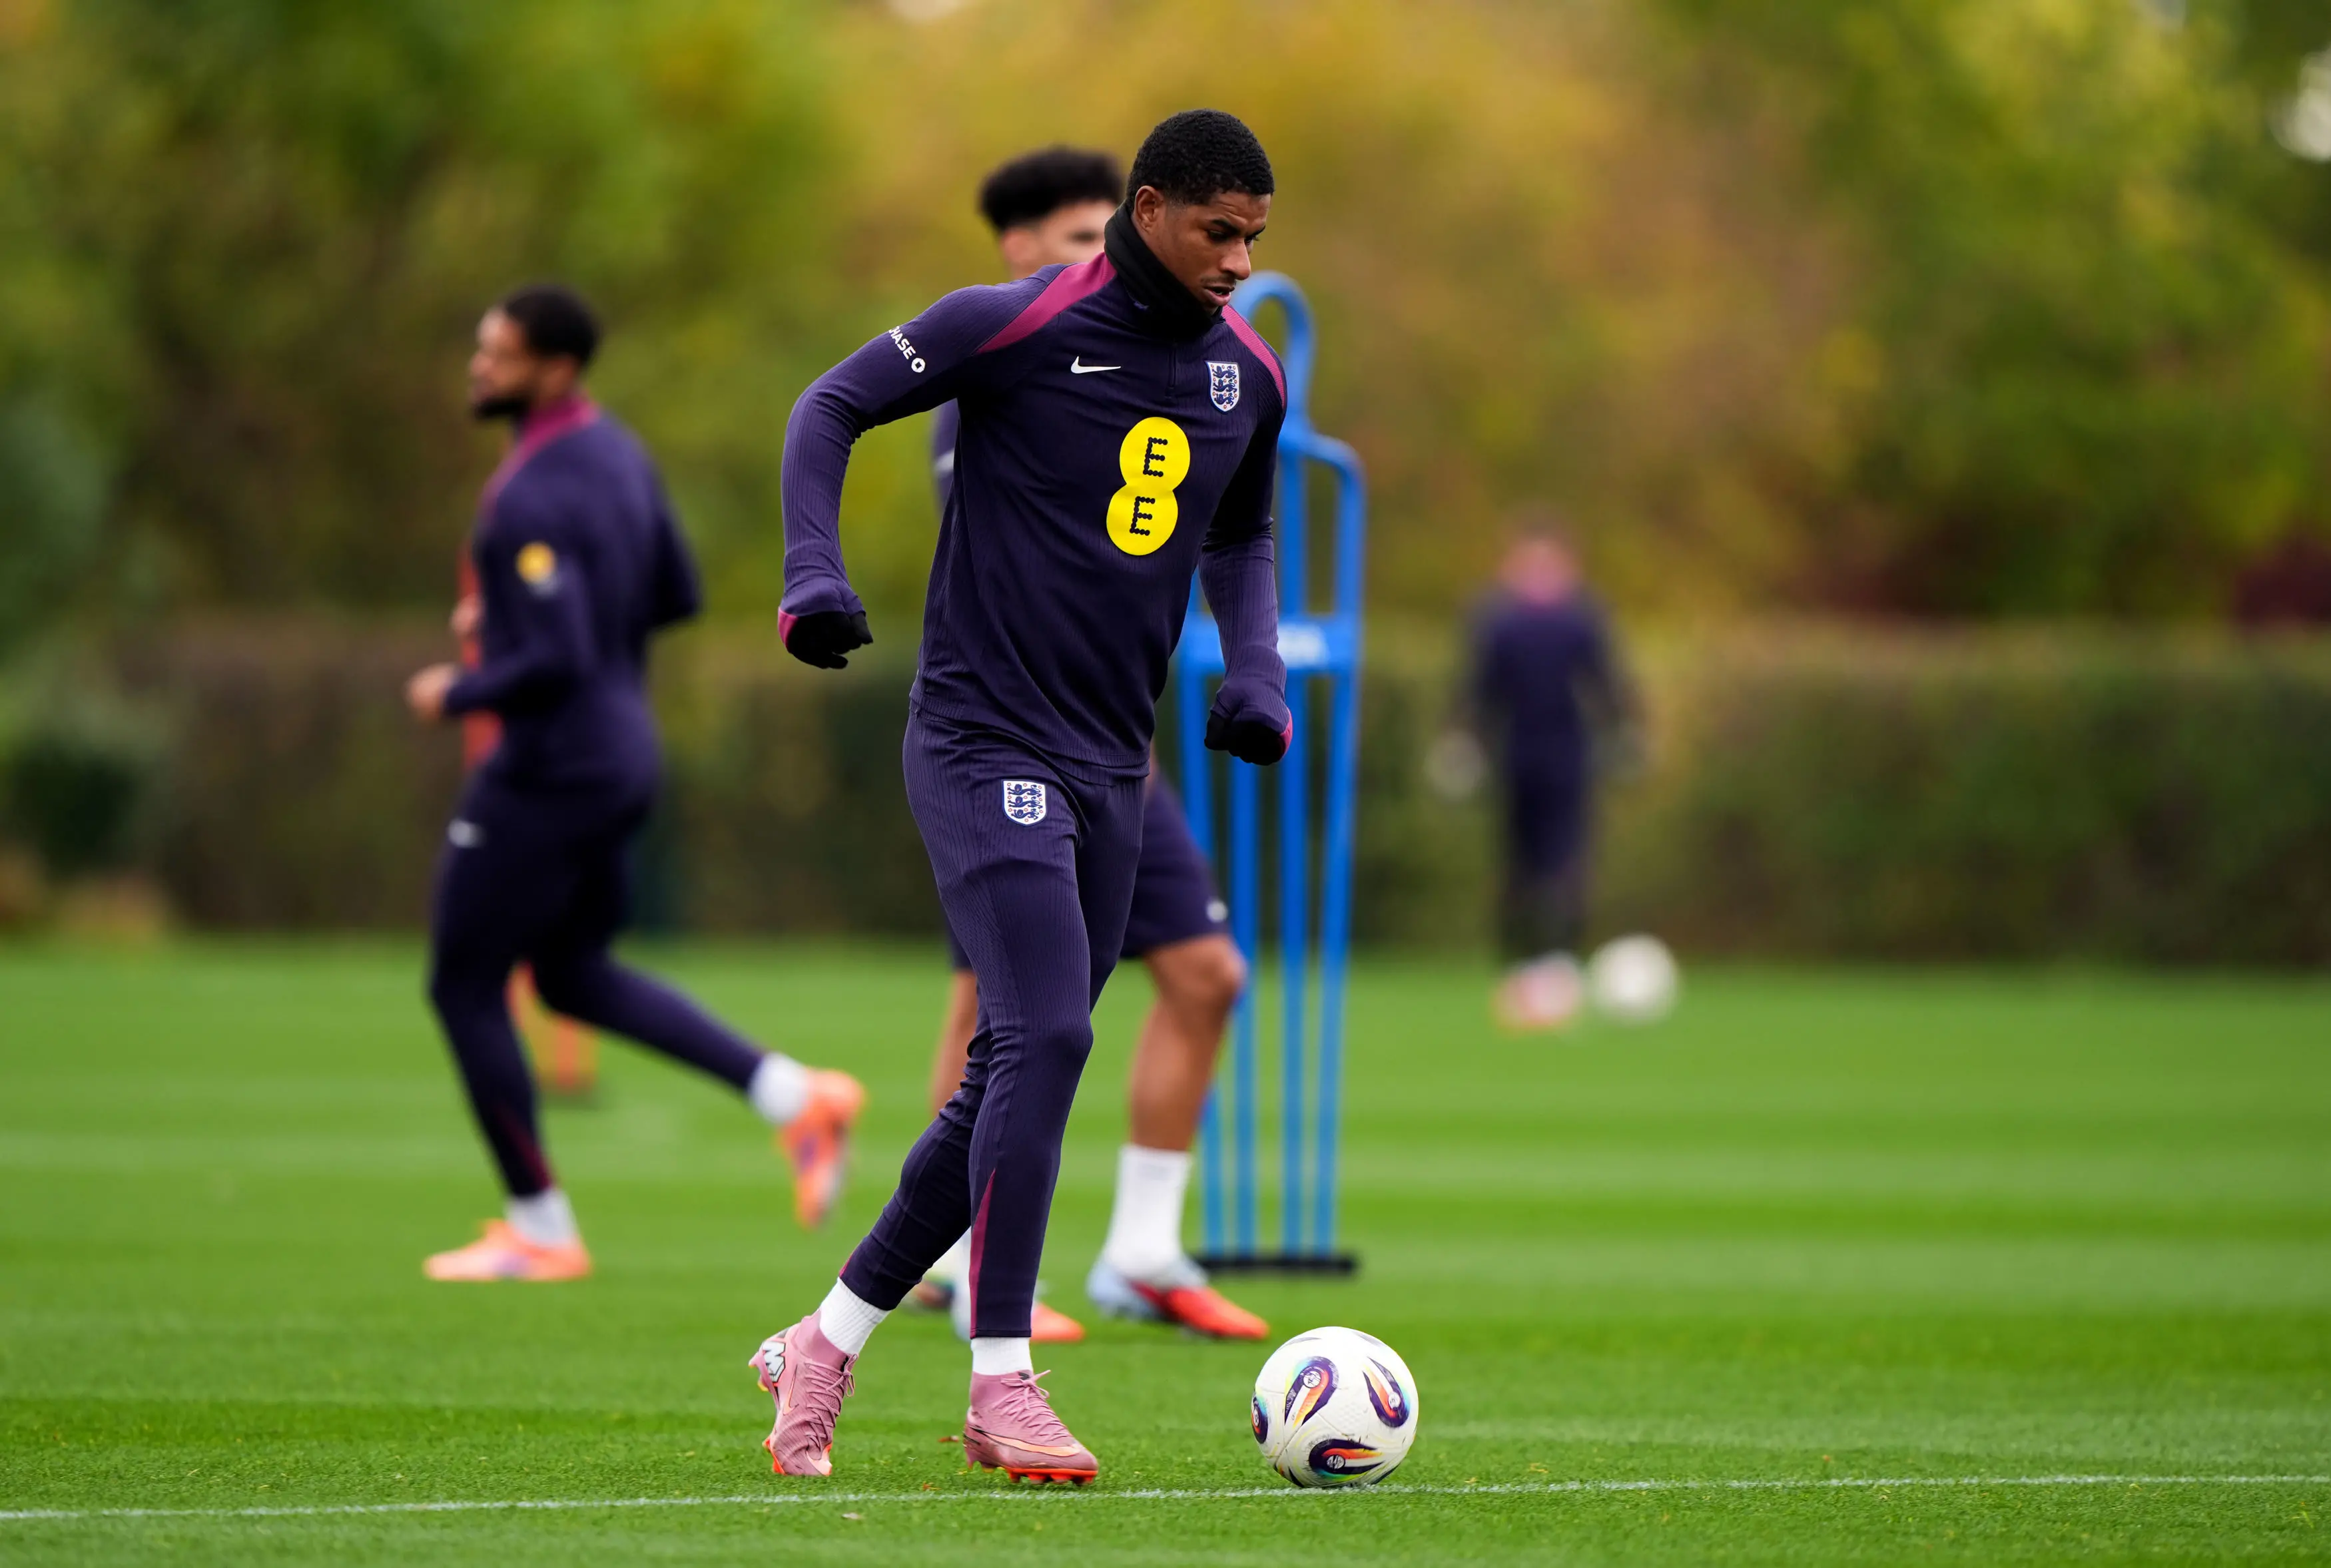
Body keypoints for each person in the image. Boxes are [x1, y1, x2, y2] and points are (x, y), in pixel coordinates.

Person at [750, 110, 1290, 1484]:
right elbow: (831, 405)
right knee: (1045, 1031)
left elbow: (1242, 530)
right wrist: (814, 573)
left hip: (1116, 761)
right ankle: (1003, 1381)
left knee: (1005, 1069)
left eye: (1255, 238)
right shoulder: (1016, 321)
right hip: (983, 739)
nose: (1238, 262)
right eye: (1217, 231)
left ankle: (824, 1339)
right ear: (1152, 206)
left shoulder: (1247, 376)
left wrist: (1256, 671)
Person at [405, 284, 865, 1282]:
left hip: (552, 766)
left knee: (461, 980)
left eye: (500, 352)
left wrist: (464, 681)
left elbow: (557, 655)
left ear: (554, 367)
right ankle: (796, 1095)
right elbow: (678, 592)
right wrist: (548, 632)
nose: (480, 367)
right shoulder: (617, 451)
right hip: (623, 751)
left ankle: (539, 1224)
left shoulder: (530, 491)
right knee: (571, 973)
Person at [911, 145, 1267, 1348]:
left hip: (1119, 747)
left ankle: (1143, 1249)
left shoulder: (1204, 367)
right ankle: (959, 1264)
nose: (1097, 257)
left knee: (1209, 976)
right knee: (1004, 1004)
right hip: (1003, 734)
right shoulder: (998, 372)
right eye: (1075, 238)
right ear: (1020, 250)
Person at [1463, 529, 1639, 1029]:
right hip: (1516, 756)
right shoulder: (1500, 621)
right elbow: (1479, 689)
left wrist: (1624, 732)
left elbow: (1607, 681)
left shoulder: (1580, 619)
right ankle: (1521, 968)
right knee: (1518, 866)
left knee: (1565, 863)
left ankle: (1558, 964)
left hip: (1567, 756)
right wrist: (1466, 742)